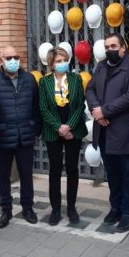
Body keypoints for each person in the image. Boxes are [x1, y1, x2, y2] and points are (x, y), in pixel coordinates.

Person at [86, 33, 129, 232]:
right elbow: (90, 90)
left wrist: (105, 110)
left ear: (124, 47)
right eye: (107, 46)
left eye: (113, 46)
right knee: (112, 174)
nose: (109, 49)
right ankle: (116, 208)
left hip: (125, 132)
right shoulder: (101, 66)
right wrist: (97, 110)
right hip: (103, 130)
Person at [0, 46, 41, 228]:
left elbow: (36, 107)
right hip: (2, 138)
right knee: (3, 176)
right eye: (8, 57)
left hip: (25, 136)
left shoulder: (29, 79)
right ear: (1, 60)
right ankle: (6, 210)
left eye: (16, 57)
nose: (13, 60)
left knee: (26, 175)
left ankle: (27, 208)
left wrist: (36, 129)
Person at [37, 47, 88, 226]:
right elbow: (43, 108)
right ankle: (56, 208)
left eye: (64, 60)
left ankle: (72, 207)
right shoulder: (44, 82)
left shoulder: (76, 79)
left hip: (73, 130)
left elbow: (80, 105)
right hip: (53, 130)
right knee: (55, 170)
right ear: (51, 64)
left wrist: (69, 127)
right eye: (58, 61)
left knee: (72, 169)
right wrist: (59, 127)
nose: (62, 64)